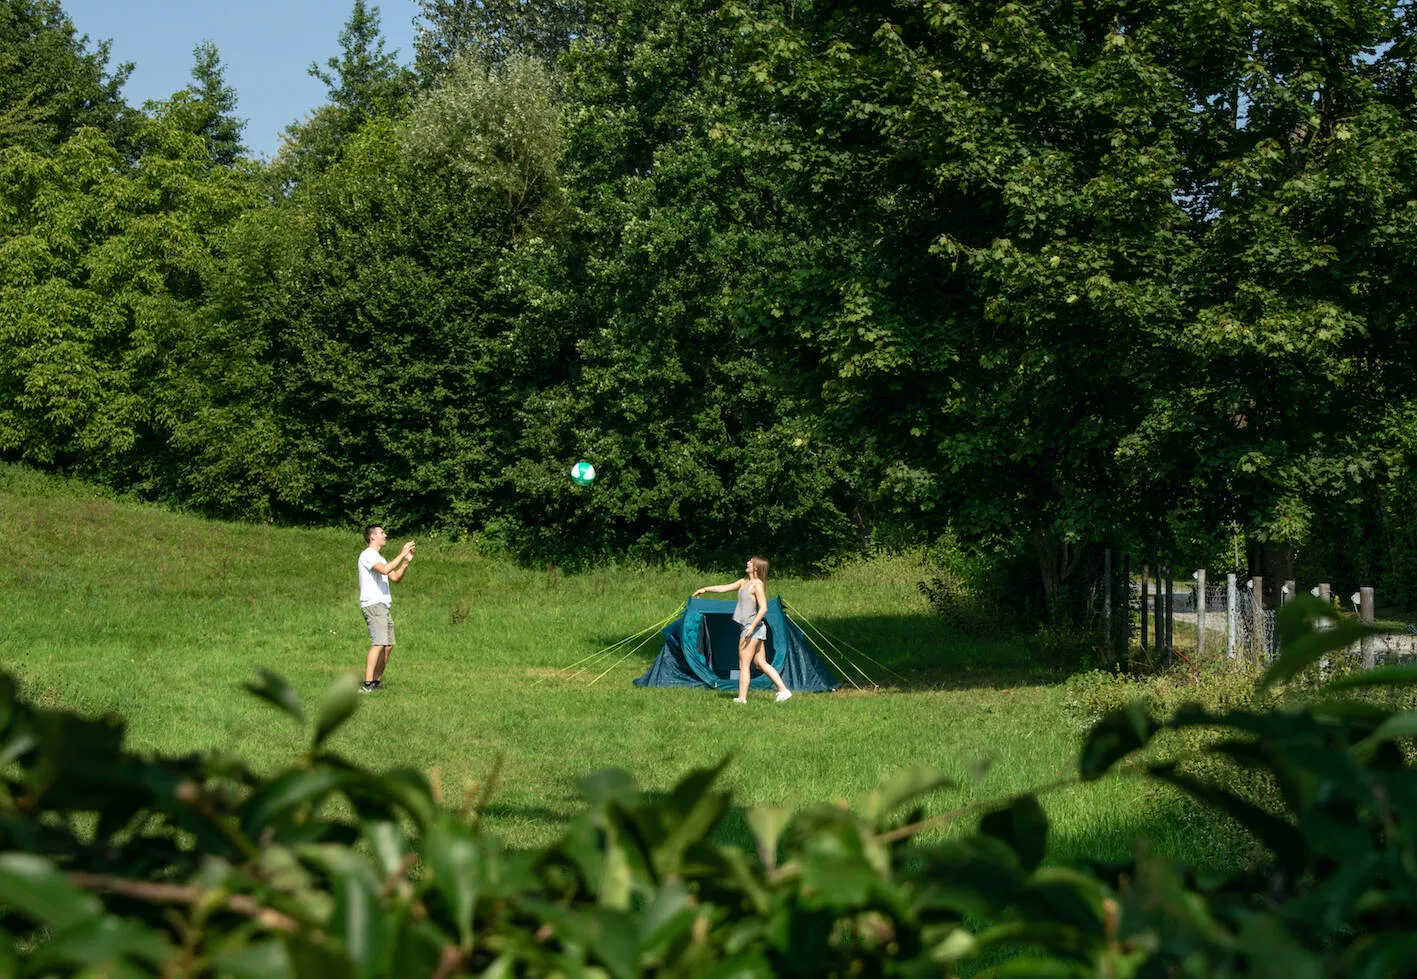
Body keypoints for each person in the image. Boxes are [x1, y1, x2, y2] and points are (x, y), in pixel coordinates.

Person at [693, 556, 792, 703]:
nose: (747, 563)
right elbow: (724, 588)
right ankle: (783, 691)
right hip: (755, 628)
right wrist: (705, 589)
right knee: (760, 663)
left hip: (751, 628)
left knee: (743, 665)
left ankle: (742, 698)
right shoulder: (743, 582)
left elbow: (764, 608)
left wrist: (752, 627)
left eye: (751, 562)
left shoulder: (757, 585)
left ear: (756, 568)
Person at [357, 525, 415, 692]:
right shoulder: (367, 555)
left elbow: (395, 577)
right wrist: (402, 553)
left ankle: (375, 682)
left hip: (383, 605)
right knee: (378, 643)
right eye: (382, 533)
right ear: (372, 537)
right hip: (373, 604)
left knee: (388, 645)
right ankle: (367, 684)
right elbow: (384, 570)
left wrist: (405, 562)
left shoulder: (379, 557)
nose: (385, 535)